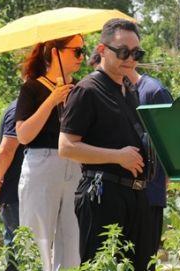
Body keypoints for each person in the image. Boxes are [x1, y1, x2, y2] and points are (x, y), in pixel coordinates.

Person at [58, 19, 152, 271]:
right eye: (123, 51)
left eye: (136, 53)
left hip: (135, 194)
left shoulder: (129, 89)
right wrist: (117, 156)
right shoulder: (87, 90)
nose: (130, 58)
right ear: (101, 50)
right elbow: (66, 147)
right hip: (102, 194)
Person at [89, 47, 173, 258]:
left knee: (143, 259)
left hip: (149, 194)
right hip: (119, 195)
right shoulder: (111, 94)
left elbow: (169, 142)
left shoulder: (153, 91)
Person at [15, 35, 85, 271]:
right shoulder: (32, 88)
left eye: (83, 51)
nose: (82, 57)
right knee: (37, 238)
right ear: (56, 52)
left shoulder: (81, 88)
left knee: (73, 241)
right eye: (76, 51)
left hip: (75, 164)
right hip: (41, 162)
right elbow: (23, 135)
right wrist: (52, 99)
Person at [0, 100, 23, 271]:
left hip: (16, 195)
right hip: (16, 196)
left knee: (14, 254)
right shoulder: (20, 109)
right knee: (21, 254)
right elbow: (6, 151)